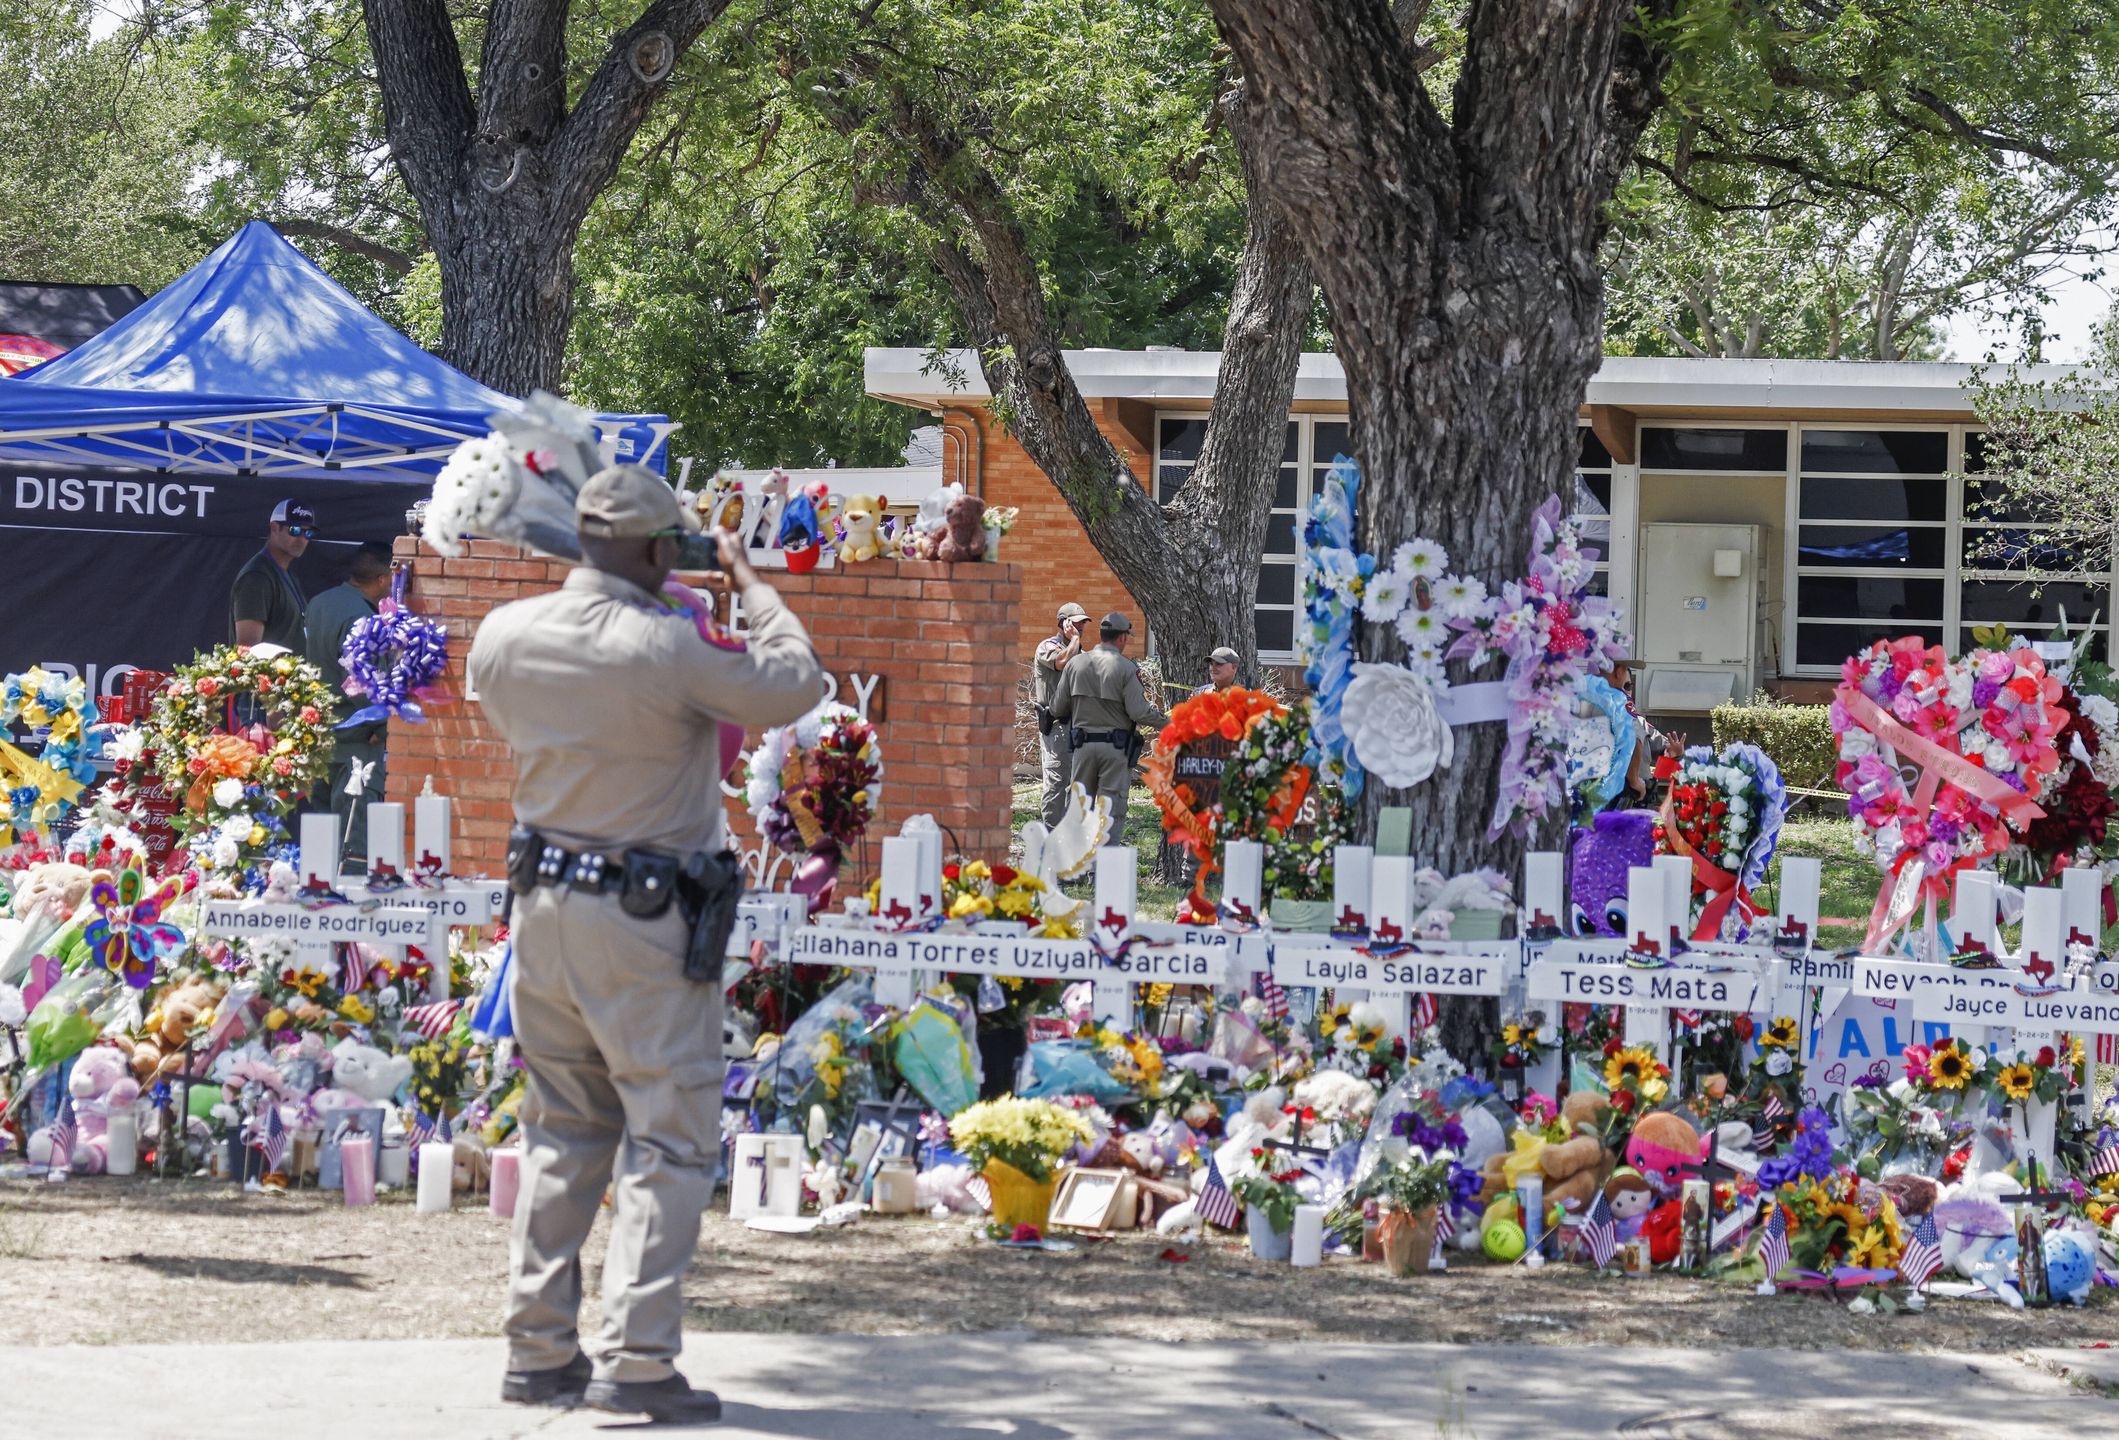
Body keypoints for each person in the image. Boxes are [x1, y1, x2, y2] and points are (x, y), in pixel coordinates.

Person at [468, 465, 822, 1423]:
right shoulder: (668, 646)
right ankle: (636, 1362)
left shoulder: (504, 635)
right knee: (666, 1136)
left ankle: (537, 1353)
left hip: (540, 910)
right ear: (664, 550)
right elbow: (794, 684)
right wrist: (749, 586)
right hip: (646, 921)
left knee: (561, 1130)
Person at [304, 542, 394, 868]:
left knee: (319, 835)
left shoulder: (319, 603)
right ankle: (349, 914)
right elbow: (362, 683)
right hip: (355, 738)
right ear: (384, 579)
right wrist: (382, 728)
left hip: (316, 732)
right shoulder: (362, 617)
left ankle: (313, 900)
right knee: (353, 837)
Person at [1051, 610, 1167, 839]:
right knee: (1110, 810)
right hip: (1114, 750)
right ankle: (1102, 870)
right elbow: (1138, 711)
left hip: (1082, 748)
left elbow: (1057, 708)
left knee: (1079, 808)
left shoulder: (1075, 664)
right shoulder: (1126, 668)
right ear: (1122, 637)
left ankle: (1072, 872)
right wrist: (1168, 723)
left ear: (1103, 634)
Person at [230, 499, 315, 649]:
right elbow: (247, 649)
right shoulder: (257, 577)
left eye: (308, 532)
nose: (302, 538)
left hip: (293, 671)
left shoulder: (286, 573)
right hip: (272, 673)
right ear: (274, 528)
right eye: (294, 530)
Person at [1033, 602, 1088, 825]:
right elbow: (1061, 662)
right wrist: (1074, 640)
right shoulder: (1048, 646)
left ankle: (1069, 837)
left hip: (1077, 725)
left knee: (1076, 783)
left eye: (1083, 623)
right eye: (1077, 622)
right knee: (1056, 782)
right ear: (1064, 623)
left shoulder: (1080, 651)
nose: (1081, 627)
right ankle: (1050, 836)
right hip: (1056, 726)